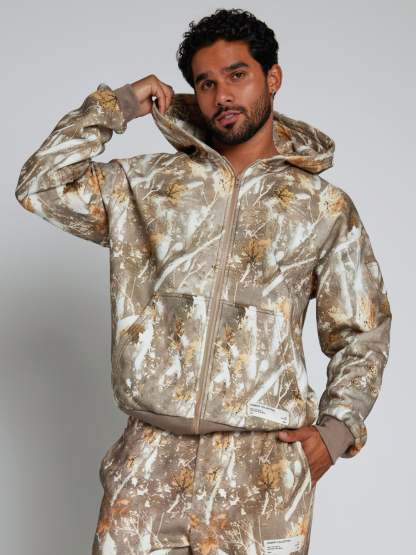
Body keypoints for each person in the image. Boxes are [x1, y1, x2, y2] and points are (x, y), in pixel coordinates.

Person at [15, 8, 392, 555]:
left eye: (237, 75)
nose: (222, 95)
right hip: (148, 462)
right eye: (206, 82)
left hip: (262, 471)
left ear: (272, 78)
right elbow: (41, 186)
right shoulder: (147, 185)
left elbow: (363, 330)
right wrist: (119, 105)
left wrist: (336, 432)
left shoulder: (323, 207)